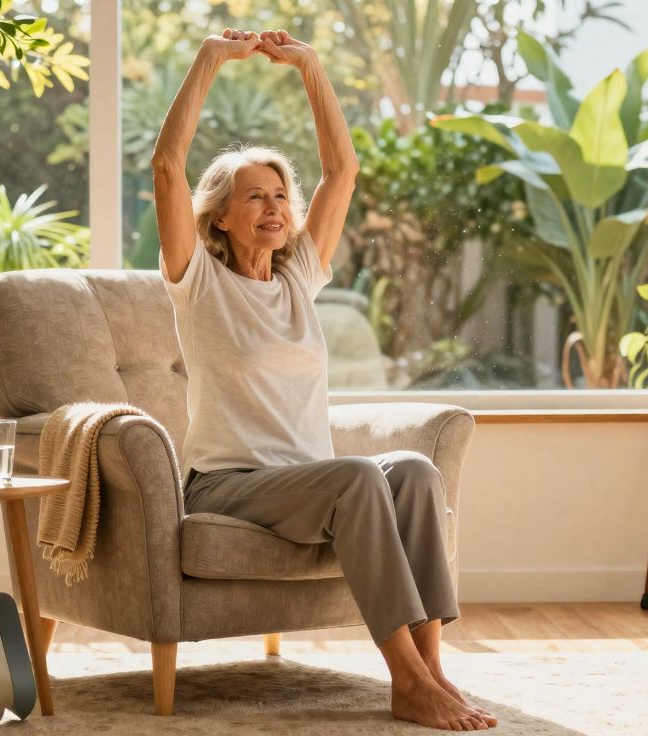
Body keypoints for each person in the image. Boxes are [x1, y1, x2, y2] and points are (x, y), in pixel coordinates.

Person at [151, 28, 498, 732]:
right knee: (360, 478)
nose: (276, 206)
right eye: (255, 197)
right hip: (231, 483)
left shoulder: (298, 277)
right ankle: (403, 678)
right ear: (220, 214)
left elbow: (343, 170)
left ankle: (431, 672)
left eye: (281, 194)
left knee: (414, 472)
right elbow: (166, 167)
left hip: (305, 481)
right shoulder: (200, 283)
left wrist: (311, 68)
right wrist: (210, 59)